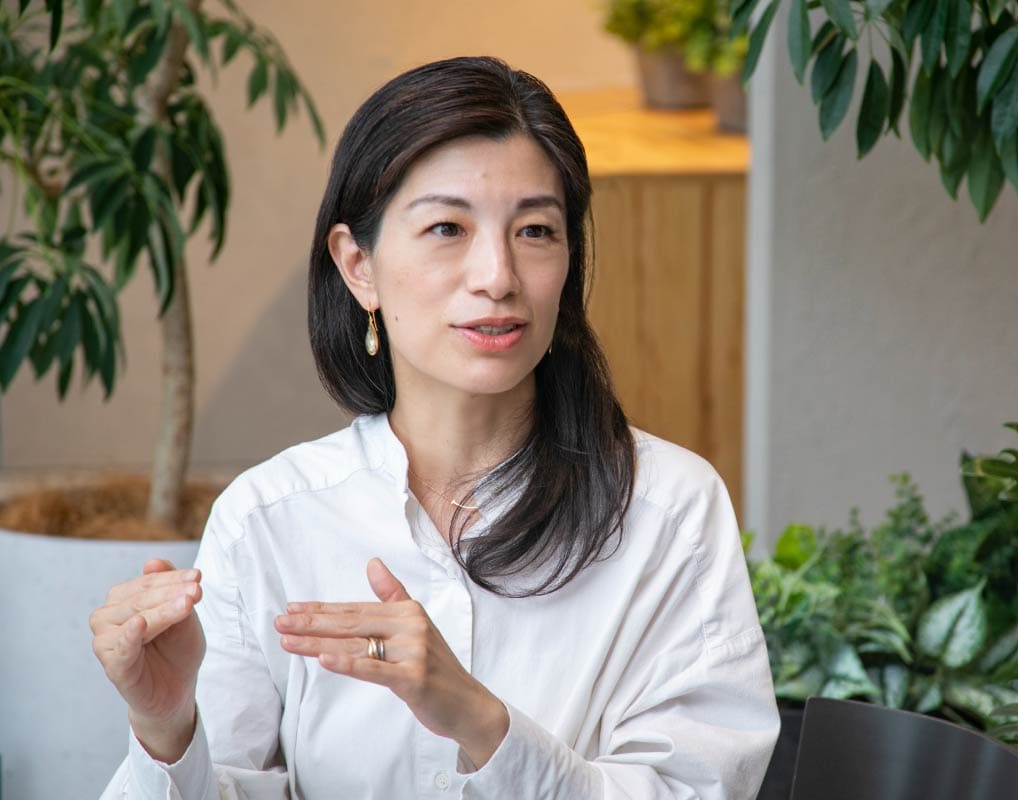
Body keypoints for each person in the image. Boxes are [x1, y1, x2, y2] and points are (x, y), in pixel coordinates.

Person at [91, 56, 779, 798]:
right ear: (358, 265)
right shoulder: (268, 519)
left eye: (536, 230)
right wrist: (166, 732)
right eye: (448, 227)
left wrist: (481, 724)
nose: (498, 276)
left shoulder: (669, 511)